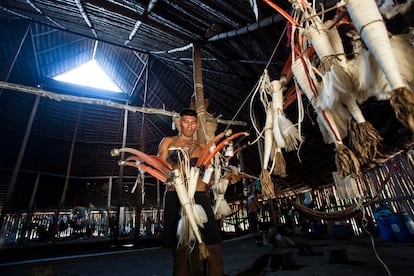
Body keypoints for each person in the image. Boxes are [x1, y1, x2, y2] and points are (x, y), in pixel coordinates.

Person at [158, 108, 224, 276]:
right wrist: (176, 159)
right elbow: (160, 169)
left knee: (213, 248)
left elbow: (210, 175)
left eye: (193, 122)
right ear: (179, 123)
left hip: (199, 195)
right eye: (185, 122)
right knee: (180, 252)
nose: (189, 126)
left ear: (196, 125)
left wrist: (203, 170)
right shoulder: (168, 142)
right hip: (175, 195)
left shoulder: (203, 147)